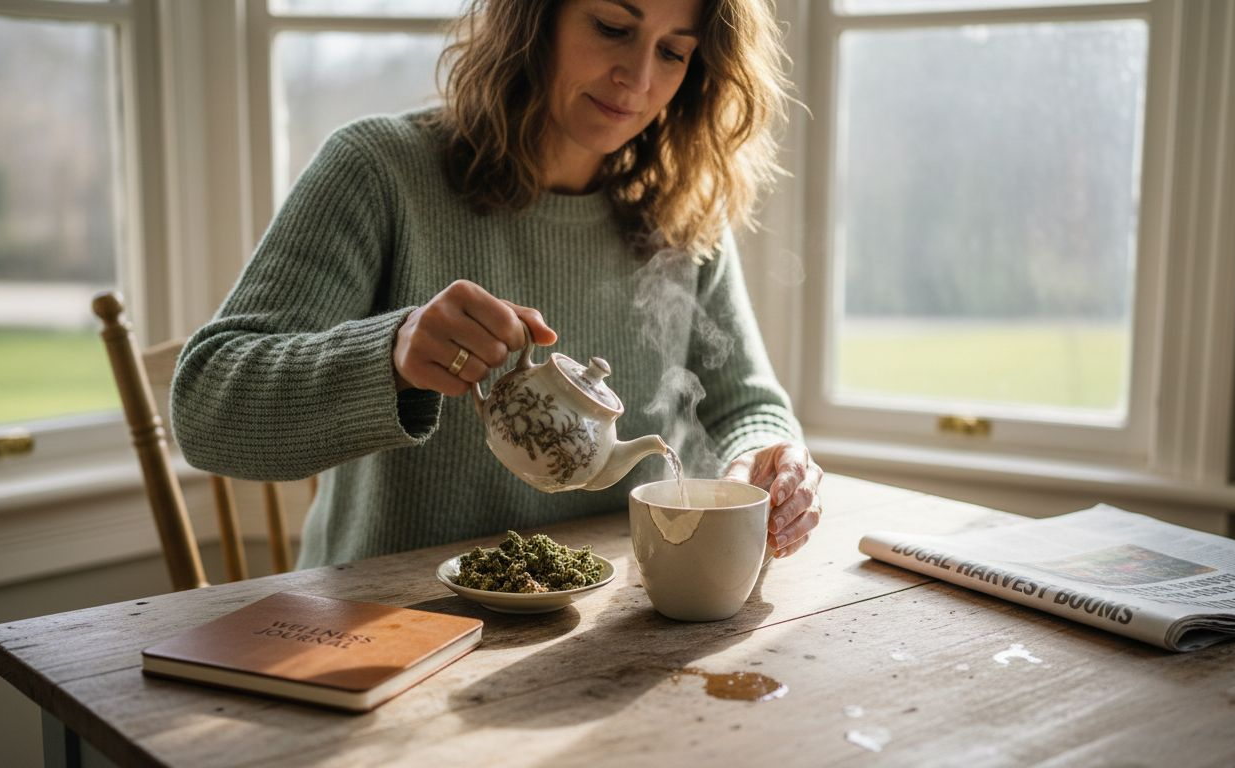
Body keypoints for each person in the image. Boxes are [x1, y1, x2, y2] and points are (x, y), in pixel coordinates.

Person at [171, 0, 823, 569]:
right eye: (610, 26)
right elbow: (204, 411)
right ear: (535, 18)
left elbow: (743, 407)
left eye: (675, 52)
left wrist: (769, 456)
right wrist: (391, 354)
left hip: (609, 627)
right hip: (388, 622)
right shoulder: (381, 171)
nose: (639, 77)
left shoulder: (681, 212)